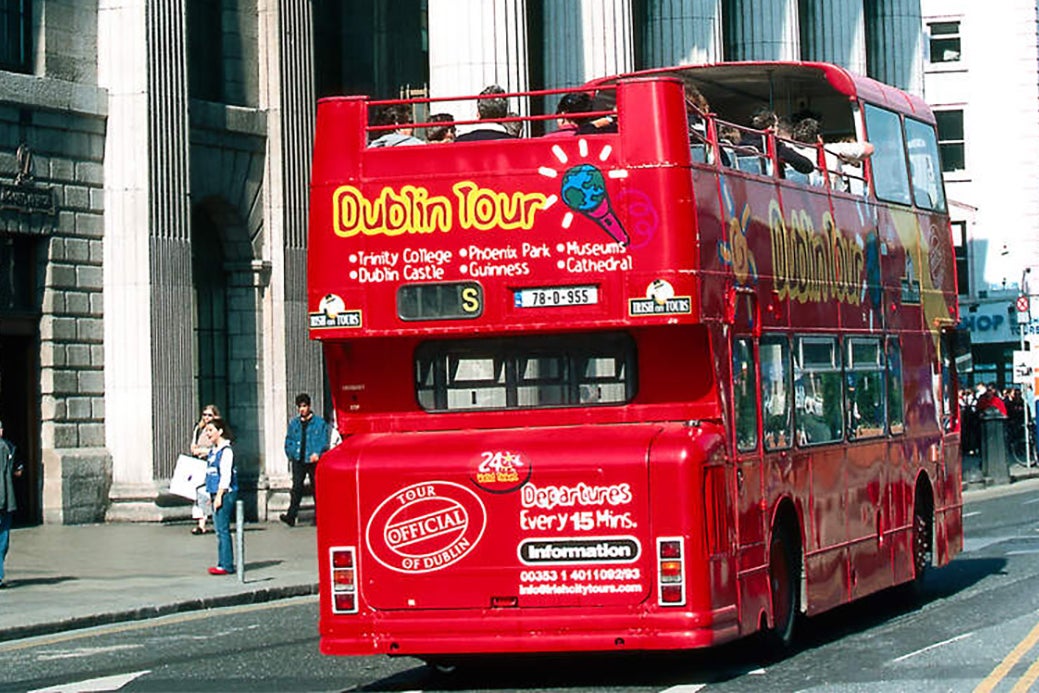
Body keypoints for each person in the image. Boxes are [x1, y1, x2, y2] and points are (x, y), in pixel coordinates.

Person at [280, 393, 331, 527]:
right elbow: (289, 440)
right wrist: (290, 453)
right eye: (300, 407)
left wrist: (318, 453)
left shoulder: (319, 423)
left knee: (316, 488)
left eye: (304, 406)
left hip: (312, 460)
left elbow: (324, 440)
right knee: (296, 487)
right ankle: (291, 515)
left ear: (309, 406)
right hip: (298, 459)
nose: (302, 409)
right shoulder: (294, 423)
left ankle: (320, 516)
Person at [204, 416, 237, 575]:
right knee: (219, 529)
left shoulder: (226, 451)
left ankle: (227, 565)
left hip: (224, 494)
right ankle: (222, 562)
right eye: (207, 431)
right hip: (214, 493)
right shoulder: (213, 451)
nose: (208, 434)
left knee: (222, 529)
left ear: (220, 431)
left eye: (210, 430)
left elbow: (225, 477)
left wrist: (218, 496)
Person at [745, 106, 814, 176]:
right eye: (776, 125)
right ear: (771, 127)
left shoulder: (742, 143)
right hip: (766, 183)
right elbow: (807, 166)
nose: (777, 129)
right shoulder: (774, 146)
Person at [189, 404, 219, 535]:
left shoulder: (216, 430)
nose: (206, 418)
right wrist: (195, 449)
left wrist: (203, 451)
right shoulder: (199, 428)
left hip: (210, 465)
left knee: (209, 494)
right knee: (199, 493)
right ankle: (201, 523)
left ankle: (213, 520)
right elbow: (193, 444)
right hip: (199, 464)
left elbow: (218, 448)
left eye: (209, 415)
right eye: (204, 415)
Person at [0, 420, 22, 589]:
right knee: (3, 541)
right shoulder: (9, 448)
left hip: (6, 501)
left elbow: (18, 470)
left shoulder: (9, 448)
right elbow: (18, 471)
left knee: (3, 541)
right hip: (6, 501)